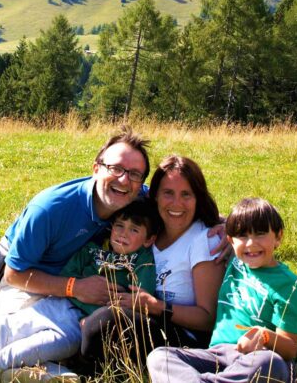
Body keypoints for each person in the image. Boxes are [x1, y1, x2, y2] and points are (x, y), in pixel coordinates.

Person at [0, 199, 163, 381]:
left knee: (25, 350)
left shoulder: (142, 262)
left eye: (134, 230)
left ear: (149, 239)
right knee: (6, 331)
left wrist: (97, 318)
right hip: (58, 305)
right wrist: (71, 290)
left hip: (78, 327)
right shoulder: (92, 250)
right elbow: (68, 275)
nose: (123, 234)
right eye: (119, 225)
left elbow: (137, 301)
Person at [0, 127, 152, 337]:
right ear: (96, 169)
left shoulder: (136, 197)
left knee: (87, 337)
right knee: (22, 339)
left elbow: (174, 204)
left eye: (134, 174)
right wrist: (75, 287)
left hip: (80, 275)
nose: (124, 180)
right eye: (115, 168)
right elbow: (14, 273)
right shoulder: (51, 208)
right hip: (29, 278)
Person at [146, 198, 297, 383]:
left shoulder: (289, 286)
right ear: (230, 240)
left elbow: (290, 348)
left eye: (261, 234)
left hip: (256, 356)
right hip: (217, 354)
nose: (250, 244)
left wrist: (264, 335)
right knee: (160, 357)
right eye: (243, 236)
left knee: (271, 363)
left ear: (278, 237)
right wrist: (222, 223)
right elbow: (208, 216)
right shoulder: (235, 263)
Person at [82, 154, 225, 361]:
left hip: (184, 336)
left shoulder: (204, 240)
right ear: (155, 195)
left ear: (198, 198)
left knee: (106, 321)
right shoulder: (149, 231)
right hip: (145, 319)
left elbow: (208, 318)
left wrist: (156, 306)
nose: (177, 204)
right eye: (168, 193)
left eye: (186, 194)